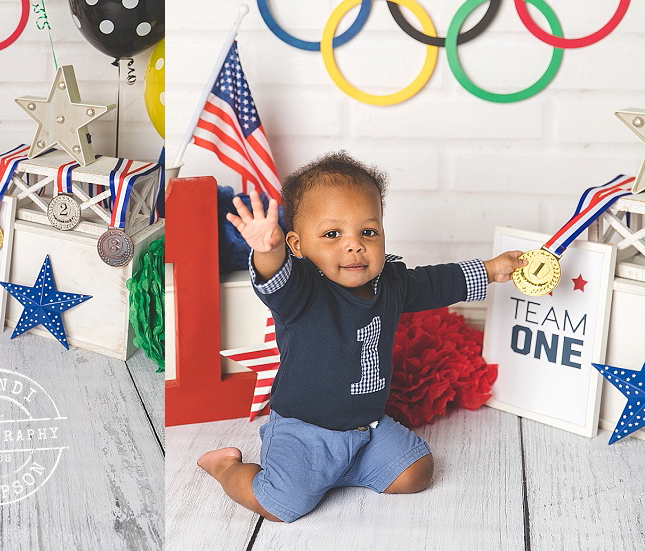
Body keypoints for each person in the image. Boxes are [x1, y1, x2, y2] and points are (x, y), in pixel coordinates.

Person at [196, 152, 524, 523]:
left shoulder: (391, 283)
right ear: (297, 245)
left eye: (368, 232)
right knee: (280, 505)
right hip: (305, 431)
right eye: (332, 234)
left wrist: (491, 268)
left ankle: (344, 469)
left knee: (416, 472)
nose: (354, 245)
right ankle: (225, 467)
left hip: (366, 426)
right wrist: (267, 251)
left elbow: (436, 282)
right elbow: (275, 278)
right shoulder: (301, 291)